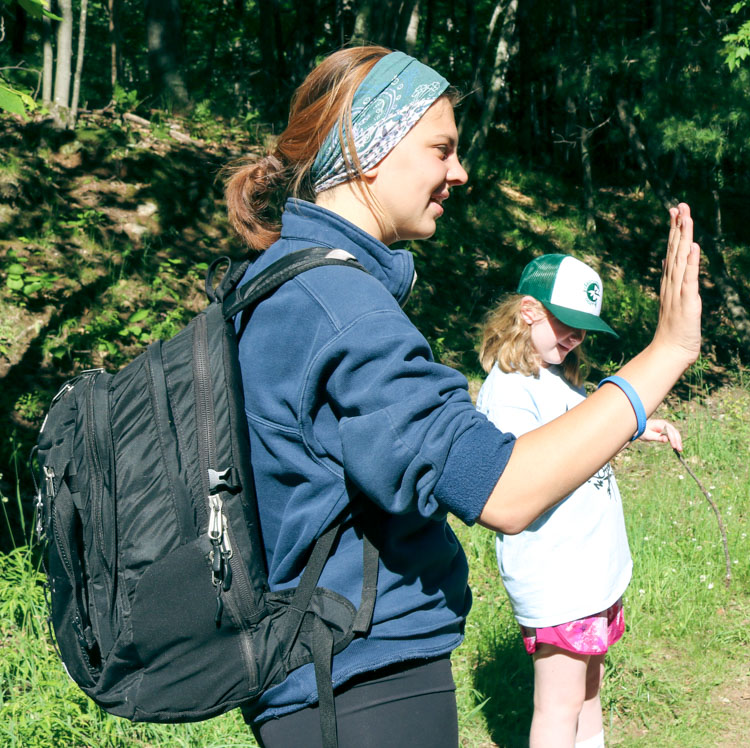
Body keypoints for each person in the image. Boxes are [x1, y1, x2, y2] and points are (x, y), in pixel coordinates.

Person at [223, 46, 701, 748]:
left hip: (320, 671)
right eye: (441, 148)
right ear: (367, 148)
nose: (460, 171)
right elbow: (502, 488)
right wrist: (666, 354)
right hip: (359, 682)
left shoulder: (280, 277)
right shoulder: (341, 305)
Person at [474, 253, 682, 748]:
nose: (573, 339)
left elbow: (587, 427)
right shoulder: (508, 391)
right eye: (566, 324)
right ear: (528, 310)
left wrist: (637, 426)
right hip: (558, 575)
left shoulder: (557, 380)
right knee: (559, 705)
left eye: (583, 331)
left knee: (589, 691)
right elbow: (524, 475)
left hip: (591, 569)